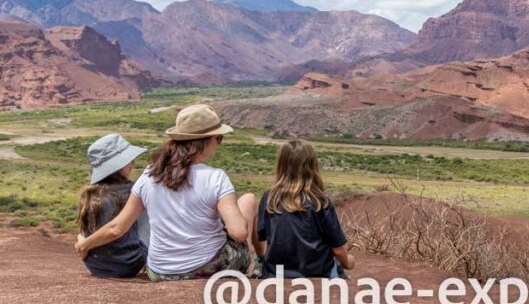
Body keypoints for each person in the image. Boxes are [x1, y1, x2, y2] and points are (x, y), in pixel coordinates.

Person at [75, 104, 258, 281]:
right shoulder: (216, 177)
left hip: (160, 272)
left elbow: (117, 228)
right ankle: (252, 266)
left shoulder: (148, 175)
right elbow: (239, 233)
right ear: (205, 141)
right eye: (218, 138)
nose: (219, 143)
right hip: (208, 268)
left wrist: (85, 244)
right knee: (248, 200)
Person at [252, 139, 355, 278]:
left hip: (276, 272)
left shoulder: (269, 198)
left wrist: (261, 257)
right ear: (312, 166)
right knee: (338, 261)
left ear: (282, 165)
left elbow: (260, 237)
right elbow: (338, 250)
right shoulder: (320, 202)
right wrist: (348, 262)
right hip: (315, 272)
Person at [77, 134, 149, 278]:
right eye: (128, 159)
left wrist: (82, 243)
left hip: (94, 265)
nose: (132, 162)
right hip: (129, 265)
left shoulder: (89, 193)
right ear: (120, 165)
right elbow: (115, 231)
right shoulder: (132, 190)